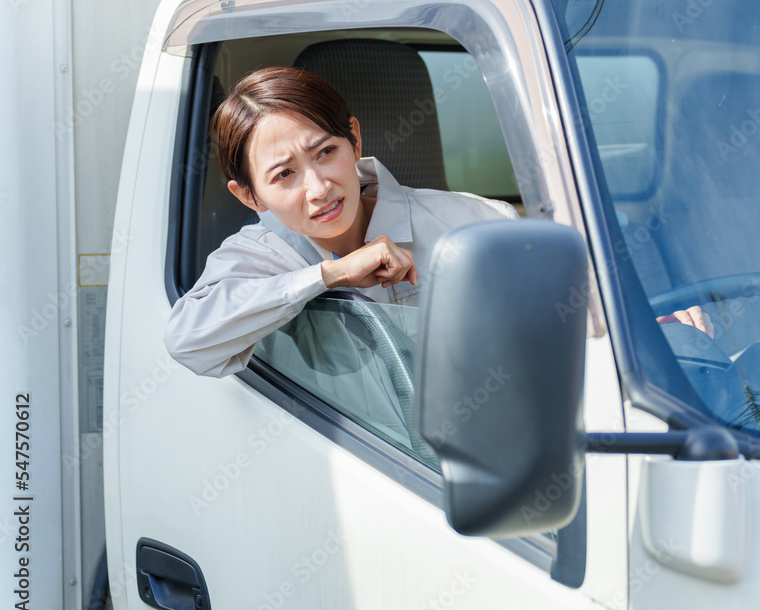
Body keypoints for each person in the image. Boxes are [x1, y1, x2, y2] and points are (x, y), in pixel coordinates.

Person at [164, 66, 712, 380]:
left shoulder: (475, 222)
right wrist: (331, 276)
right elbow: (188, 341)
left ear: (355, 139)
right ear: (249, 195)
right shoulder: (262, 256)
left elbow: (575, 319)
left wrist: (644, 334)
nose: (318, 187)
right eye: (283, 175)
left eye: (326, 152)